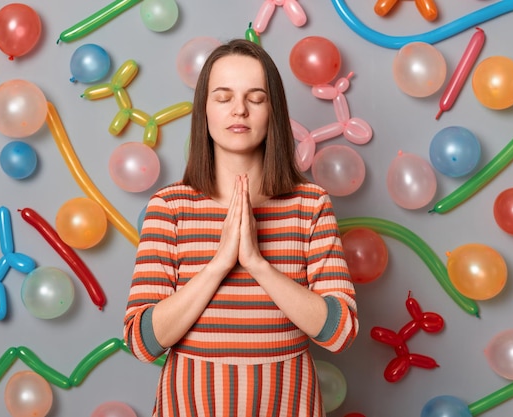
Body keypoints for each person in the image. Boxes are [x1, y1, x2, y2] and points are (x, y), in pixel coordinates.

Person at [123, 38, 358, 416]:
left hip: (288, 404)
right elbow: (141, 341)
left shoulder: (310, 204)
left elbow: (341, 332)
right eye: (223, 96)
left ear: (273, 110)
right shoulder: (169, 207)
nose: (240, 110)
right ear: (204, 109)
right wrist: (219, 264)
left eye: (256, 97)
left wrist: (257, 263)